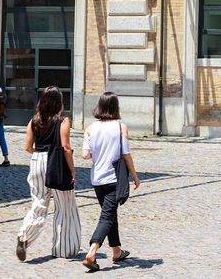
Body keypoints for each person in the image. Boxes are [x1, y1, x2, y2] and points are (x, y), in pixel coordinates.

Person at [16, 86, 81, 261]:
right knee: (65, 206)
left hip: (37, 161)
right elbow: (66, 147)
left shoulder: (34, 121)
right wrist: (73, 170)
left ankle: (24, 237)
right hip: (57, 162)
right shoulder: (64, 121)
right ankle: (64, 248)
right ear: (59, 101)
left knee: (39, 202)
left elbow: (27, 147)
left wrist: (41, 154)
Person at [81, 92, 140, 272]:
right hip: (114, 178)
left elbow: (85, 155)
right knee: (107, 216)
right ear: (116, 107)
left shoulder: (90, 128)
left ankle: (116, 251)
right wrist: (135, 176)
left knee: (109, 213)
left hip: (97, 179)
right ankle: (92, 252)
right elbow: (126, 155)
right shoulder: (120, 127)